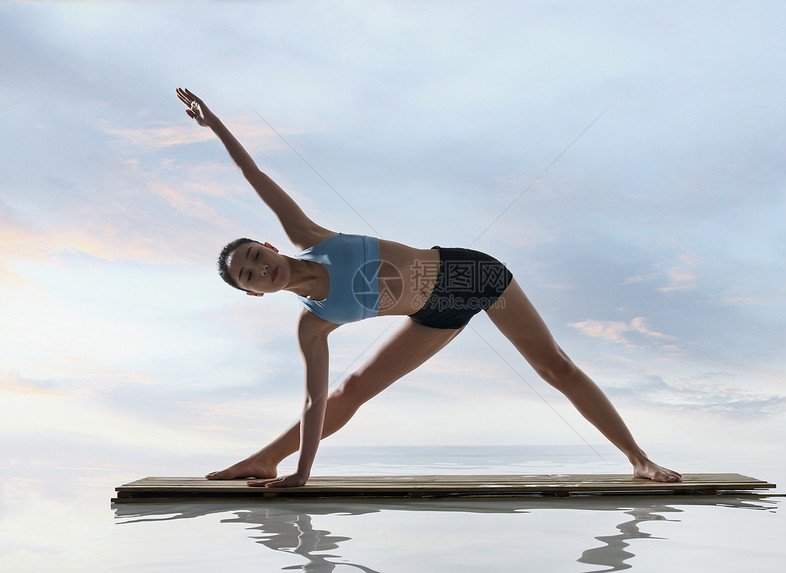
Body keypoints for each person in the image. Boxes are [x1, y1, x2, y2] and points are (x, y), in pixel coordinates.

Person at [175, 88, 682, 488]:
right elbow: (313, 403)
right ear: (252, 294)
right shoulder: (313, 323)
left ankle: (638, 459)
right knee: (348, 391)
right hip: (436, 314)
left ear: (267, 246)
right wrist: (304, 473)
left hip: (470, 276)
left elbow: (253, 172)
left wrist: (213, 123)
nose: (261, 269)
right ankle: (267, 460)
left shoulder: (308, 237)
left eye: (256, 257)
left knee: (556, 367)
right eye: (249, 275)